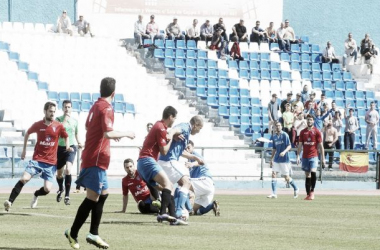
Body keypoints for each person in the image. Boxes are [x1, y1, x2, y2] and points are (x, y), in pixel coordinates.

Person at [65, 77, 135, 249]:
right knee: (92, 198)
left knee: (103, 195)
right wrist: (125, 133)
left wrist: (109, 133)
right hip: (95, 158)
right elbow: (107, 133)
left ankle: (93, 233)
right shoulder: (107, 108)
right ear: (114, 93)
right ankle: (73, 233)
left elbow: (90, 126)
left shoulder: (96, 105)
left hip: (96, 157)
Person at [4, 102, 70, 212]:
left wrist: (67, 146)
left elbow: (66, 137)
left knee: (47, 189)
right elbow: (27, 133)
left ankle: (36, 194)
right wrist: (24, 150)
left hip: (50, 163)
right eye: (50, 111)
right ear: (45, 111)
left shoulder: (58, 126)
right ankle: (10, 202)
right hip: (37, 160)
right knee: (24, 178)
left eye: (54, 111)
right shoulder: (38, 125)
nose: (52, 113)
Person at [136, 106, 185, 225]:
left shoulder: (158, 126)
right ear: (170, 116)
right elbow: (164, 151)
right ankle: (163, 213)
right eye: (175, 118)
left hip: (142, 163)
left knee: (168, 188)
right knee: (168, 184)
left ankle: (173, 217)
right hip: (147, 161)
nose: (175, 120)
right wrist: (172, 140)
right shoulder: (161, 127)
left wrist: (171, 136)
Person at [158, 116, 204, 219]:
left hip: (166, 161)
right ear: (195, 125)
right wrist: (171, 134)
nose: (199, 131)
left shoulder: (186, 133)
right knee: (186, 182)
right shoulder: (185, 127)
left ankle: (169, 212)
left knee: (172, 186)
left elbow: (181, 152)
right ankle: (180, 211)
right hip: (168, 160)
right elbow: (173, 129)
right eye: (199, 128)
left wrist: (195, 157)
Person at [56, 100, 83, 205]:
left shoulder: (75, 121)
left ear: (71, 108)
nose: (67, 109)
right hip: (60, 148)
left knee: (68, 170)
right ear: (62, 108)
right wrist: (65, 121)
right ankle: (60, 188)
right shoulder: (58, 119)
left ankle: (67, 195)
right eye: (65, 107)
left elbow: (75, 134)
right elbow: (57, 131)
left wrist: (79, 142)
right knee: (59, 174)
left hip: (71, 148)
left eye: (69, 107)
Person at [184, 141, 220, 216]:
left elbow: (200, 161)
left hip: (205, 181)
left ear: (193, 148)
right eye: (185, 148)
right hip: (210, 187)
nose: (187, 149)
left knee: (183, 183)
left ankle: (177, 208)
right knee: (195, 211)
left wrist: (192, 164)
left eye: (188, 147)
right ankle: (212, 205)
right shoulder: (189, 159)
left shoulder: (195, 155)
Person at [297, 115, 325, 200]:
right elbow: (300, 145)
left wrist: (323, 159)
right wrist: (298, 155)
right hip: (305, 156)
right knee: (307, 175)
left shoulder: (317, 132)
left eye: (311, 120)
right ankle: (308, 193)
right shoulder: (302, 132)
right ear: (307, 121)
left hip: (314, 156)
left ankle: (312, 191)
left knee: (313, 172)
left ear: (313, 121)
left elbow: (321, 146)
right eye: (308, 120)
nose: (309, 121)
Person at [267, 122, 299, 199]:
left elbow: (289, 146)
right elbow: (274, 148)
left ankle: (296, 188)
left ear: (281, 127)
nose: (277, 127)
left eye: (279, 126)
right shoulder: (274, 136)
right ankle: (274, 193)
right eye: (276, 126)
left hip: (284, 160)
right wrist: (271, 159)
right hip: (277, 159)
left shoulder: (285, 135)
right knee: (274, 173)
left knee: (286, 178)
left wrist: (284, 152)